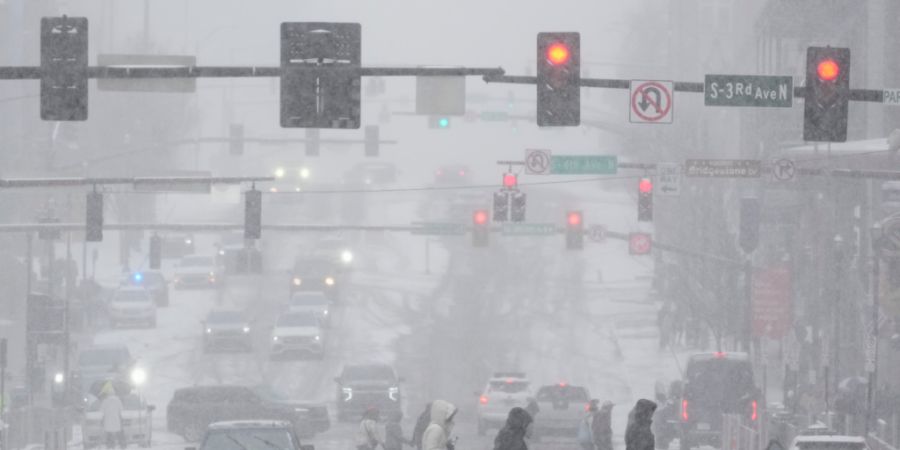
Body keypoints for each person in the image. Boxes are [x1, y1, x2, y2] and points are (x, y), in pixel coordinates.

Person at [99, 381, 125, 450]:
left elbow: (101, 410)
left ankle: (110, 445)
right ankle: (122, 445)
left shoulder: (105, 401)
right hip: (116, 420)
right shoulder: (118, 400)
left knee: (109, 433)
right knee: (118, 433)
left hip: (107, 421)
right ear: (114, 393)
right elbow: (121, 409)